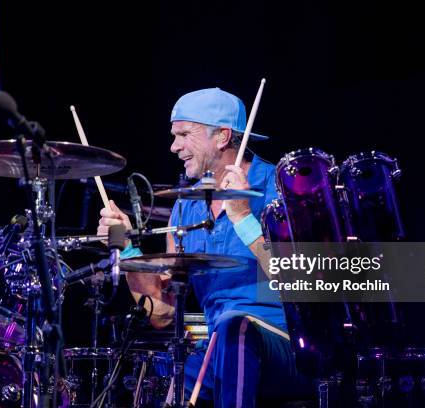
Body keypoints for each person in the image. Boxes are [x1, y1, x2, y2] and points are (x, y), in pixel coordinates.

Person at [98, 88, 309, 407]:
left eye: (184, 134)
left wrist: (243, 217)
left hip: (292, 349)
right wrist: (126, 249)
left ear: (223, 136)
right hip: (218, 350)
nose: (174, 146)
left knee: (234, 326)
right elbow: (163, 314)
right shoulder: (186, 206)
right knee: (164, 387)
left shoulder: (282, 187)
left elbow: (304, 285)